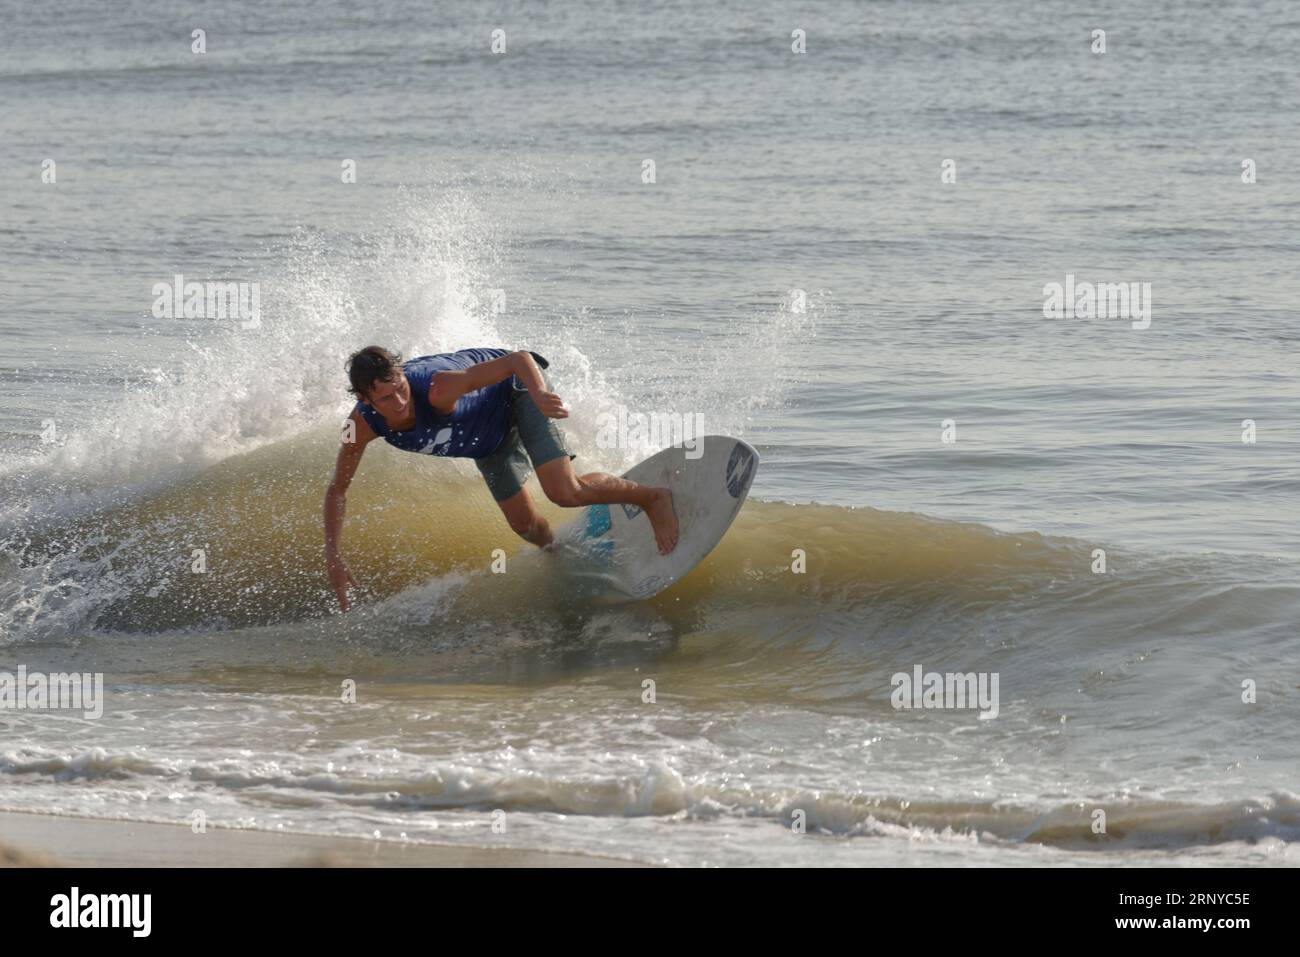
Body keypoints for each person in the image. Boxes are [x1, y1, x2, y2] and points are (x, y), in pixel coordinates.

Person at [324, 346, 678, 611]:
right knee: (526, 526)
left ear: (403, 375)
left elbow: (518, 360)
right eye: (386, 398)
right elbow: (338, 488)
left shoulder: (438, 389)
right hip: (486, 440)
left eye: (400, 386)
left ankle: (651, 497)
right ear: (363, 399)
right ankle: (562, 554)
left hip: (518, 392)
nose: (400, 400)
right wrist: (334, 554)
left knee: (563, 492)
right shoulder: (361, 426)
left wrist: (539, 393)